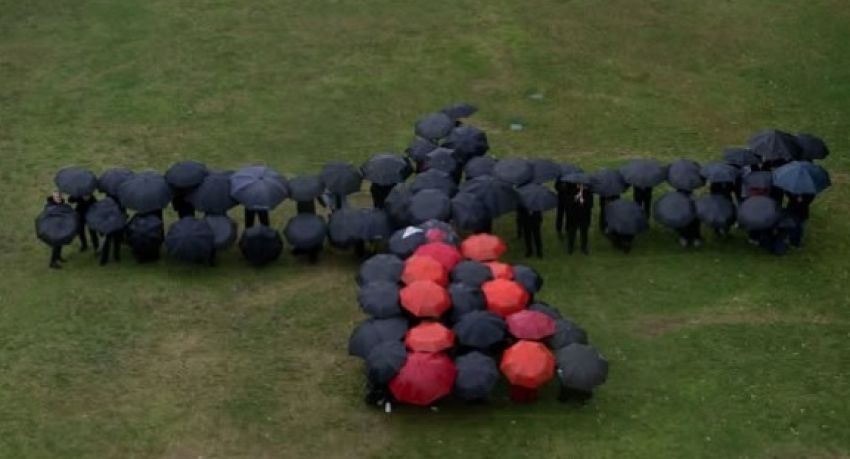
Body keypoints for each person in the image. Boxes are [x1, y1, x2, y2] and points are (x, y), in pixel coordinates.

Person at [565, 183, 593, 254]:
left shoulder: (588, 193)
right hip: (574, 216)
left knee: (584, 233)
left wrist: (584, 201)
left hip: (584, 216)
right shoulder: (572, 191)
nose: (580, 186)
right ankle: (570, 247)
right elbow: (569, 203)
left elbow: (590, 205)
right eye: (579, 185)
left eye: (582, 185)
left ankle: (584, 247)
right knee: (572, 233)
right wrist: (576, 198)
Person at [45, 191, 68, 269]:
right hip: (53, 228)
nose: (59, 198)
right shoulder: (49, 206)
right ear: (53, 197)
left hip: (60, 226)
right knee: (56, 245)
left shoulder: (61, 203)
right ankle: (52, 262)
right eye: (57, 197)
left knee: (60, 243)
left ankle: (58, 257)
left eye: (60, 197)